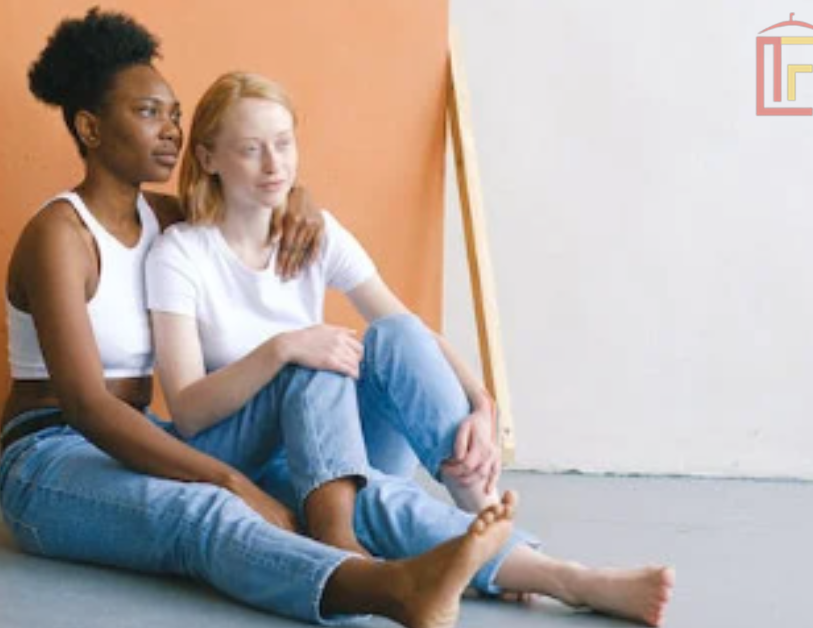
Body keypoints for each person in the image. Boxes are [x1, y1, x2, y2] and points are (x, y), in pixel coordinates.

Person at [0, 9, 528, 628]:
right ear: (90, 127)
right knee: (208, 511)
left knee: (323, 422)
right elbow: (88, 408)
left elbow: (240, 200)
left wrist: (296, 199)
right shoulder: (59, 235)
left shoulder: (163, 220)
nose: (170, 131)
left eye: (174, 114)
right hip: (48, 455)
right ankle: (386, 588)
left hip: (139, 436)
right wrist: (230, 480)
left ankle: (498, 550)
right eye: (148, 113)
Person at [145, 70, 676, 625]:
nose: (274, 165)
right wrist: (282, 348)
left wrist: (481, 403)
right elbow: (188, 410)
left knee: (392, 339)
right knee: (321, 367)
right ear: (208, 158)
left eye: (283, 144)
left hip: (325, 445)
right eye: (251, 150)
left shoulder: (315, 233)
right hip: (236, 453)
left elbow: (410, 331)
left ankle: (484, 509)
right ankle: (562, 577)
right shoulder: (181, 254)